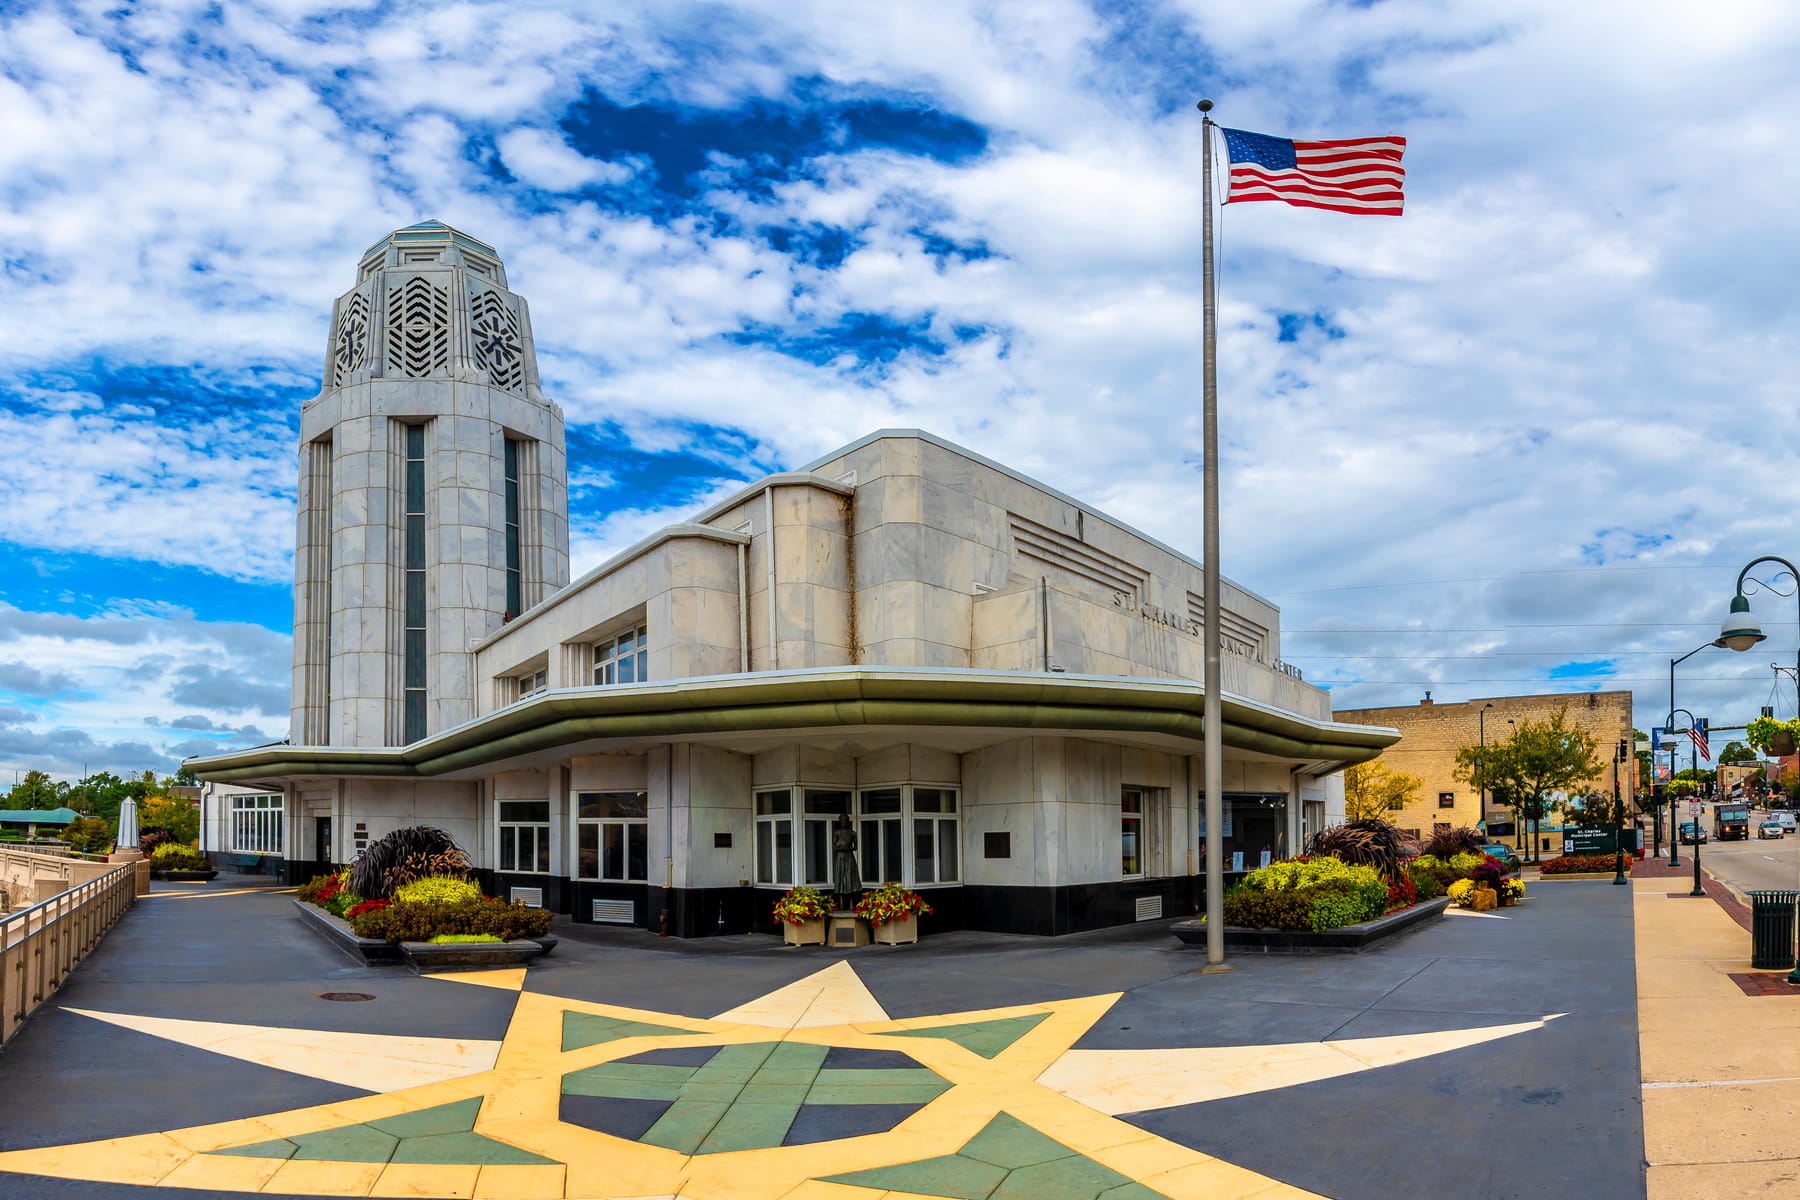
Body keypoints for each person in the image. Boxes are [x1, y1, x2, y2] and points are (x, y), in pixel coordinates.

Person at [831, 818, 862, 911]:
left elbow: (855, 847)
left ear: (848, 822)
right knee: (840, 879)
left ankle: (852, 903)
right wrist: (841, 846)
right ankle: (841, 904)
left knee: (851, 879)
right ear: (840, 822)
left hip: (849, 858)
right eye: (842, 821)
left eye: (845, 821)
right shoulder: (837, 833)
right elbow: (835, 847)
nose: (844, 822)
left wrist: (847, 847)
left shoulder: (853, 833)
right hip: (840, 858)